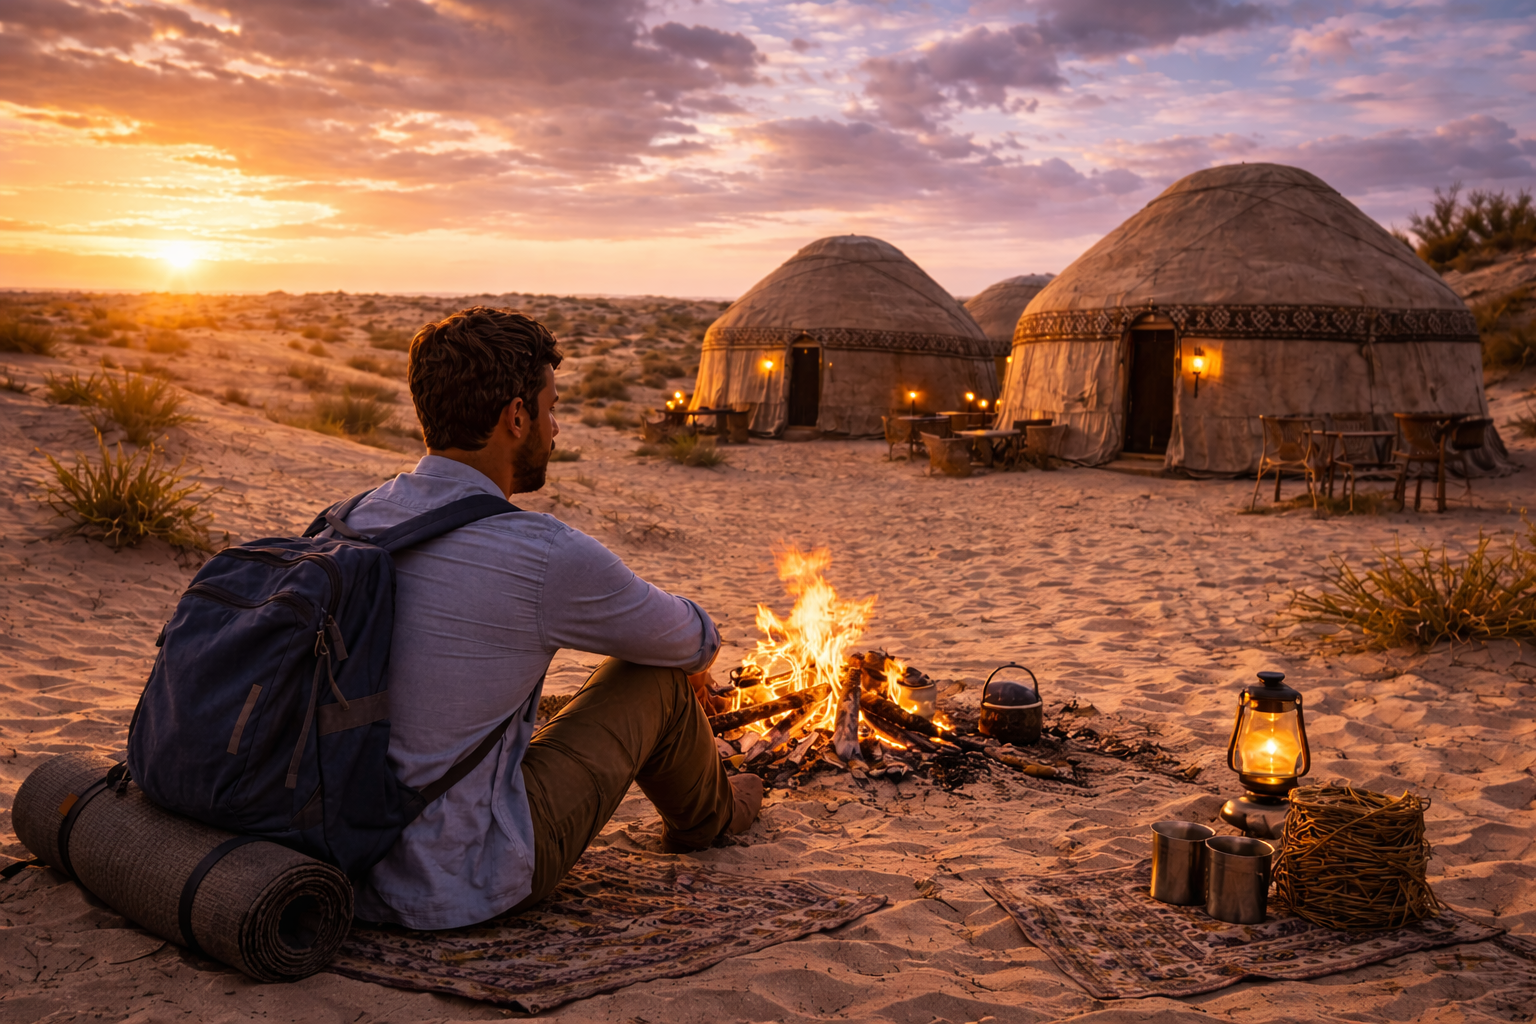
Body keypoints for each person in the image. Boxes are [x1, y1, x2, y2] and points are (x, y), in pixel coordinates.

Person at [341, 306, 763, 930]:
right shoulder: (539, 552)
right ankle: (717, 815)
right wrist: (683, 660)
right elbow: (693, 640)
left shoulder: (352, 516)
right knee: (658, 676)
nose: (556, 428)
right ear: (517, 417)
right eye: (552, 407)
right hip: (453, 877)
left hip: (337, 852)